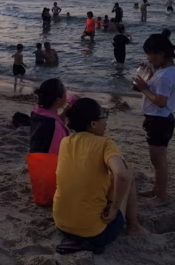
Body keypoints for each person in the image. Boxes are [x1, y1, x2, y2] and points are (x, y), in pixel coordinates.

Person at [54, 98, 145, 253]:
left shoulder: (65, 141)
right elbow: (122, 175)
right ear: (93, 124)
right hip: (95, 234)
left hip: (62, 226)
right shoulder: (105, 143)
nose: (106, 122)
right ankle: (133, 226)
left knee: (109, 179)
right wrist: (114, 208)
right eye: (104, 117)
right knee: (128, 174)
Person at [134, 34, 175, 205]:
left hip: (159, 121)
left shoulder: (165, 75)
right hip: (163, 119)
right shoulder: (165, 70)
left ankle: (161, 196)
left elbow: (160, 101)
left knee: (158, 161)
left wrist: (143, 88)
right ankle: (156, 190)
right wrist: (150, 73)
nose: (148, 58)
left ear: (161, 54)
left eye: (150, 54)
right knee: (160, 158)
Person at [29, 79, 68, 153]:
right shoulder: (54, 125)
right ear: (58, 100)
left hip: (34, 155)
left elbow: (52, 119)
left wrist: (64, 113)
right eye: (65, 94)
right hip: (47, 158)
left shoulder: (37, 112)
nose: (67, 97)